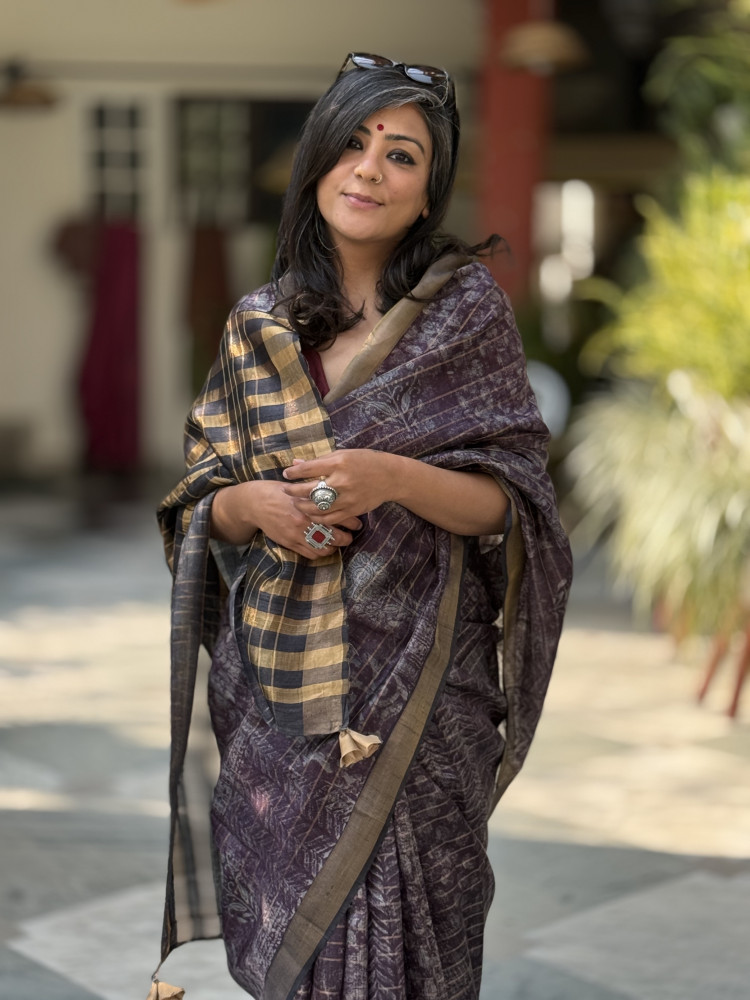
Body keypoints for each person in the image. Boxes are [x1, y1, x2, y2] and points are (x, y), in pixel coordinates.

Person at [156, 52, 572, 1000]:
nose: (370, 170)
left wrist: (390, 478)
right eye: (352, 143)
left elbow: (512, 504)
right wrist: (250, 506)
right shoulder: (257, 326)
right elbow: (197, 498)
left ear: (428, 194)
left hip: (424, 700)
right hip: (278, 708)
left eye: (402, 155)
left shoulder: (463, 317)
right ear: (315, 164)